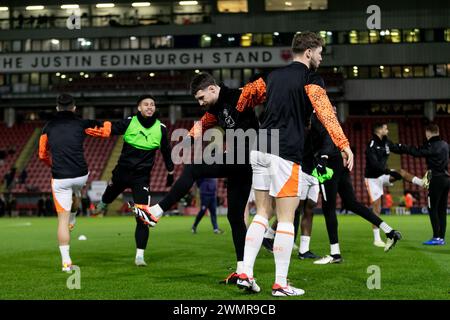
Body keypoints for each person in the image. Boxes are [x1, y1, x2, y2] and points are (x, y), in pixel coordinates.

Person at [237, 31, 353, 296]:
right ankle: (280, 283)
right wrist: (343, 144)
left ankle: (245, 273)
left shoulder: (272, 76)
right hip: (285, 152)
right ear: (309, 52)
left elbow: (244, 98)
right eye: (321, 52)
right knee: (287, 219)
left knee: (262, 214)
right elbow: (324, 111)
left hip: (260, 149)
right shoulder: (311, 78)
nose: (322, 58)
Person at [132, 73, 266, 284]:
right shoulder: (215, 108)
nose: (200, 102)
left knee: (194, 169)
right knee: (234, 217)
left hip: (247, 158)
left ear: (213, 89)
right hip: (239, 163)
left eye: (202, 97)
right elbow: (204, 123)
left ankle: (156, 212)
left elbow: (268, 86)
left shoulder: (238, 96)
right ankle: (243, 272)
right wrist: (187, 140)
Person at [90, 95, 174, 266]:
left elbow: (166, 150)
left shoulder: (161, 128)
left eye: (152, 104)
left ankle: (140, 256)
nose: (150, 107)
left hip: (141, 178)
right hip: (122, 173)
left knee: (142, 216)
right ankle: (103, 204)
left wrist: (170, 171)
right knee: (110, 194)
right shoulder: (129, 122)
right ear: (139, 108)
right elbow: (110, 129)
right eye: (146, 104)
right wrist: (87, 127)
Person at [309, 111, 402, 265]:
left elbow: (325, 139)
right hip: (339, 162)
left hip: (327, 165)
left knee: (328, 208)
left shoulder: (317, 116)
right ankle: (389, 231)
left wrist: (323, 158)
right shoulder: (329, 119)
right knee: (353, 203)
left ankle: (335, 254)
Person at [38, 93, 110, 272]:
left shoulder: (48, 127)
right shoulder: (81, 123)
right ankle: (75, 211)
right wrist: (107, 123)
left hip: (60, 177)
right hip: (80, 175)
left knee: (62, 221)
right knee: (76, 192)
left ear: (57, 107)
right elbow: (105, 131)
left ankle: (66, 262)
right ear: (74, 108)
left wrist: (52, 164)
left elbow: (42, 154)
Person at [365, 122, 425, 247]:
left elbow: (399, 148)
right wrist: (388, 171)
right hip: (373, 179)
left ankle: (423, 183)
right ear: (379, 130)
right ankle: (376, 239)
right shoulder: (371, 145)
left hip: (383, 175)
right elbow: (373, 164)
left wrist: (416, 150)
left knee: (401, 172)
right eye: (385, 128)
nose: (387, 130)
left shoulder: (386, 142)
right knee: (377, 208)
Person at [395, 124, 449, 245]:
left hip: (435, 180)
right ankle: (441, 238)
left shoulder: (431, 146)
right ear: (438, 131)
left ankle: (436, 237)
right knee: (442, 210)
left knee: (432, 208)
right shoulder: (445, 145)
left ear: (428, 133)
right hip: (446, 179)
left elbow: (416, 152)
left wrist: (401, 147)